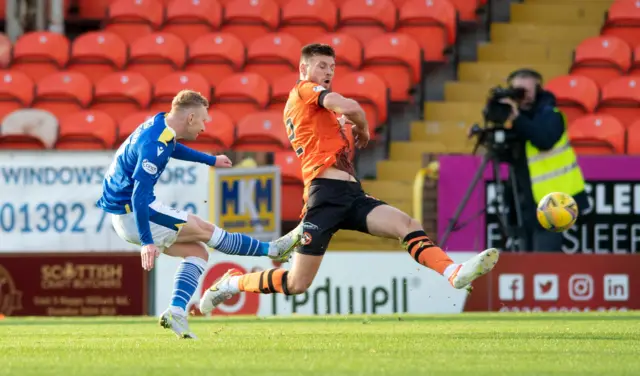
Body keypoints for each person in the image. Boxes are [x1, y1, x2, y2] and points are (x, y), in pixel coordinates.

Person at [199, 44, 499, 313]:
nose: (328, 72)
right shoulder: (304, 89)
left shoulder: (318, 112)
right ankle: (231, 284)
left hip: (351, 194)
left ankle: (453, 272)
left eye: (331, 67)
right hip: (324, 196)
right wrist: (364, 129)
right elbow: (353, 107)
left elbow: (332, 128)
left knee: (406, 225)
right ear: (304, 68)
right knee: (296, 282)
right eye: (321, 66)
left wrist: (345, 126)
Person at [96, 90, 301, 338]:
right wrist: (147, 242)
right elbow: (139, 194)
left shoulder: (161, 124)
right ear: (191, 117)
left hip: (125, 214)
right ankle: (274, 250)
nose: (204, 127)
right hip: (134, 212)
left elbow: (172, 148)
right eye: (203, 120)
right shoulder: (154, 145)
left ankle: (176, 312)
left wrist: (210, 160)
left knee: (197, 253)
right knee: (204, 230)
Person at [499, 69, 589, 252]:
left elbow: (544, 139)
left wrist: (517, 119)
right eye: (517, 91)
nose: (522, 96)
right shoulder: (517, 120)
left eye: (526, 91)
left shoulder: (552, 115)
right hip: (525, 202)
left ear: (538, 90)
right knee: (526, 263)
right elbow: (507, 155)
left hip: (556, 202)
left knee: (545, 262)